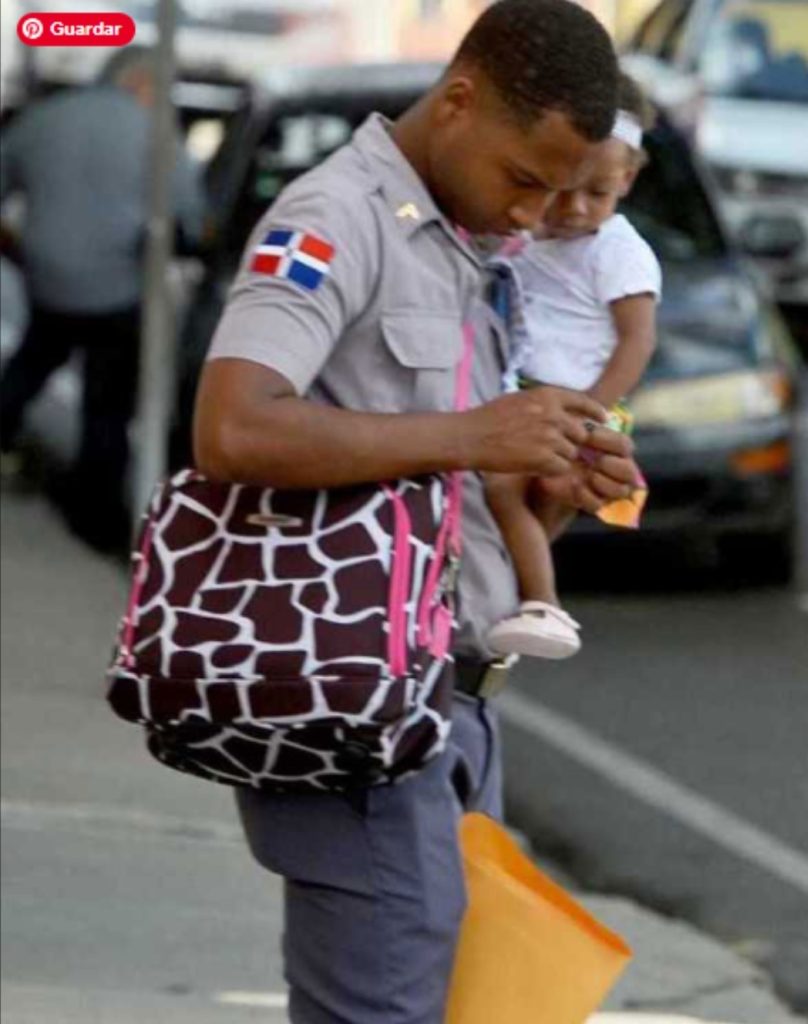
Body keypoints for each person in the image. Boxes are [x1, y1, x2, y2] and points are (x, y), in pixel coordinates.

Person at [194, 2, 638, 1021]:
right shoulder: (334, 219)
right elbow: (232, 429)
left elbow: (454, 491)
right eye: (524, 179)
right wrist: (474, 436)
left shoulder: (467, 244)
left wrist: (548, 482)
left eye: (561, 193)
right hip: (361, 712)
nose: (534, 215)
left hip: (455, 698)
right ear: (457, 100)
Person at [0, 47, 205, 553]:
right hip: (116, 290)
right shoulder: (157, 134)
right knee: (107, 405)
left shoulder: (43, 118)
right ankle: (92, 517)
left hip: (47, 282)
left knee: (32, 361)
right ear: (145, 85)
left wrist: (19, 250)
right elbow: (194, 219)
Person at [485, 72, 661, 661]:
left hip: (574, 404)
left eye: (598, 193)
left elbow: (636, 341)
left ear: (627, 180)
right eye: (563, 188)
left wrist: (591, 414)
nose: (575, 209)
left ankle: (541, 603)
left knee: (505, 492)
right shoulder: (526, 236)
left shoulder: (618, 250)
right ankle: (513, 598)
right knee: (512, 502)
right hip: (524, 395)